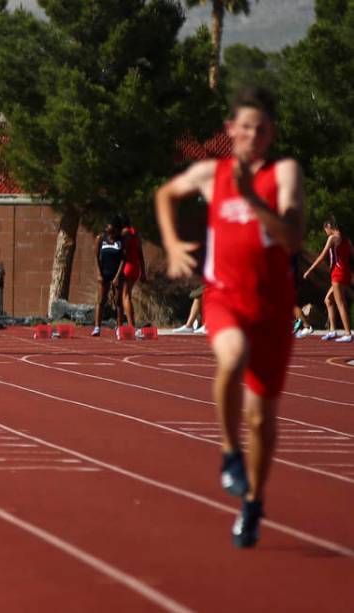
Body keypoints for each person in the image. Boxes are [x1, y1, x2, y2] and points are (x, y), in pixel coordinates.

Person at [155, 87, 304, 548]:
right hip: (224, 297)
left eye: (262, 129)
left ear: (271, 134)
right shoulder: (210, 173)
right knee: (231, 357)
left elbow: (293, 238)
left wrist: (251, 200)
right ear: (230, 132)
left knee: (262, 418)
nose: (253, 136)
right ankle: (228, 452)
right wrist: (173, 243)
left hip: (273, 307)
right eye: (245, 128)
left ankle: (254, 502)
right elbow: (166, 193)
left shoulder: (284, 174)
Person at [303, 215, 352, 342]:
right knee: (328, 300)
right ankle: (332, 331)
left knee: (340, 303)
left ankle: (347, 333)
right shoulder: (347, 239)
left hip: (338, 273)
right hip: (346, 273)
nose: (326, 233)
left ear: (329, 227)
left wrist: (309, 270)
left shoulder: (333, 238)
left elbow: (321, 256)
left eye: (325, 230)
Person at [92, 216, 126, 337]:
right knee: (101, 300)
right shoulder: (101, 238)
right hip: (104, 273)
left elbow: (123, 259)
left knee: (118, 302)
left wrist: (117, 276)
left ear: (116, 228)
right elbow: (96, 257)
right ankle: (97, 327)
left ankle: (119, 327)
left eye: (110, 226)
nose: (107, 228)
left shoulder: (121, 240)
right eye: (106, 226)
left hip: (116, 273)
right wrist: (99, 273)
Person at [120, 214, 146, 329]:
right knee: (127, 295)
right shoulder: (135, 233)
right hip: (136, 267)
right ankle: (129, 324)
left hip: (127, 267)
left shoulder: (125, 233)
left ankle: (131, 325)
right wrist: (143, 271)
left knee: (125, 296)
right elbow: (140, 253)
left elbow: (123, 253)